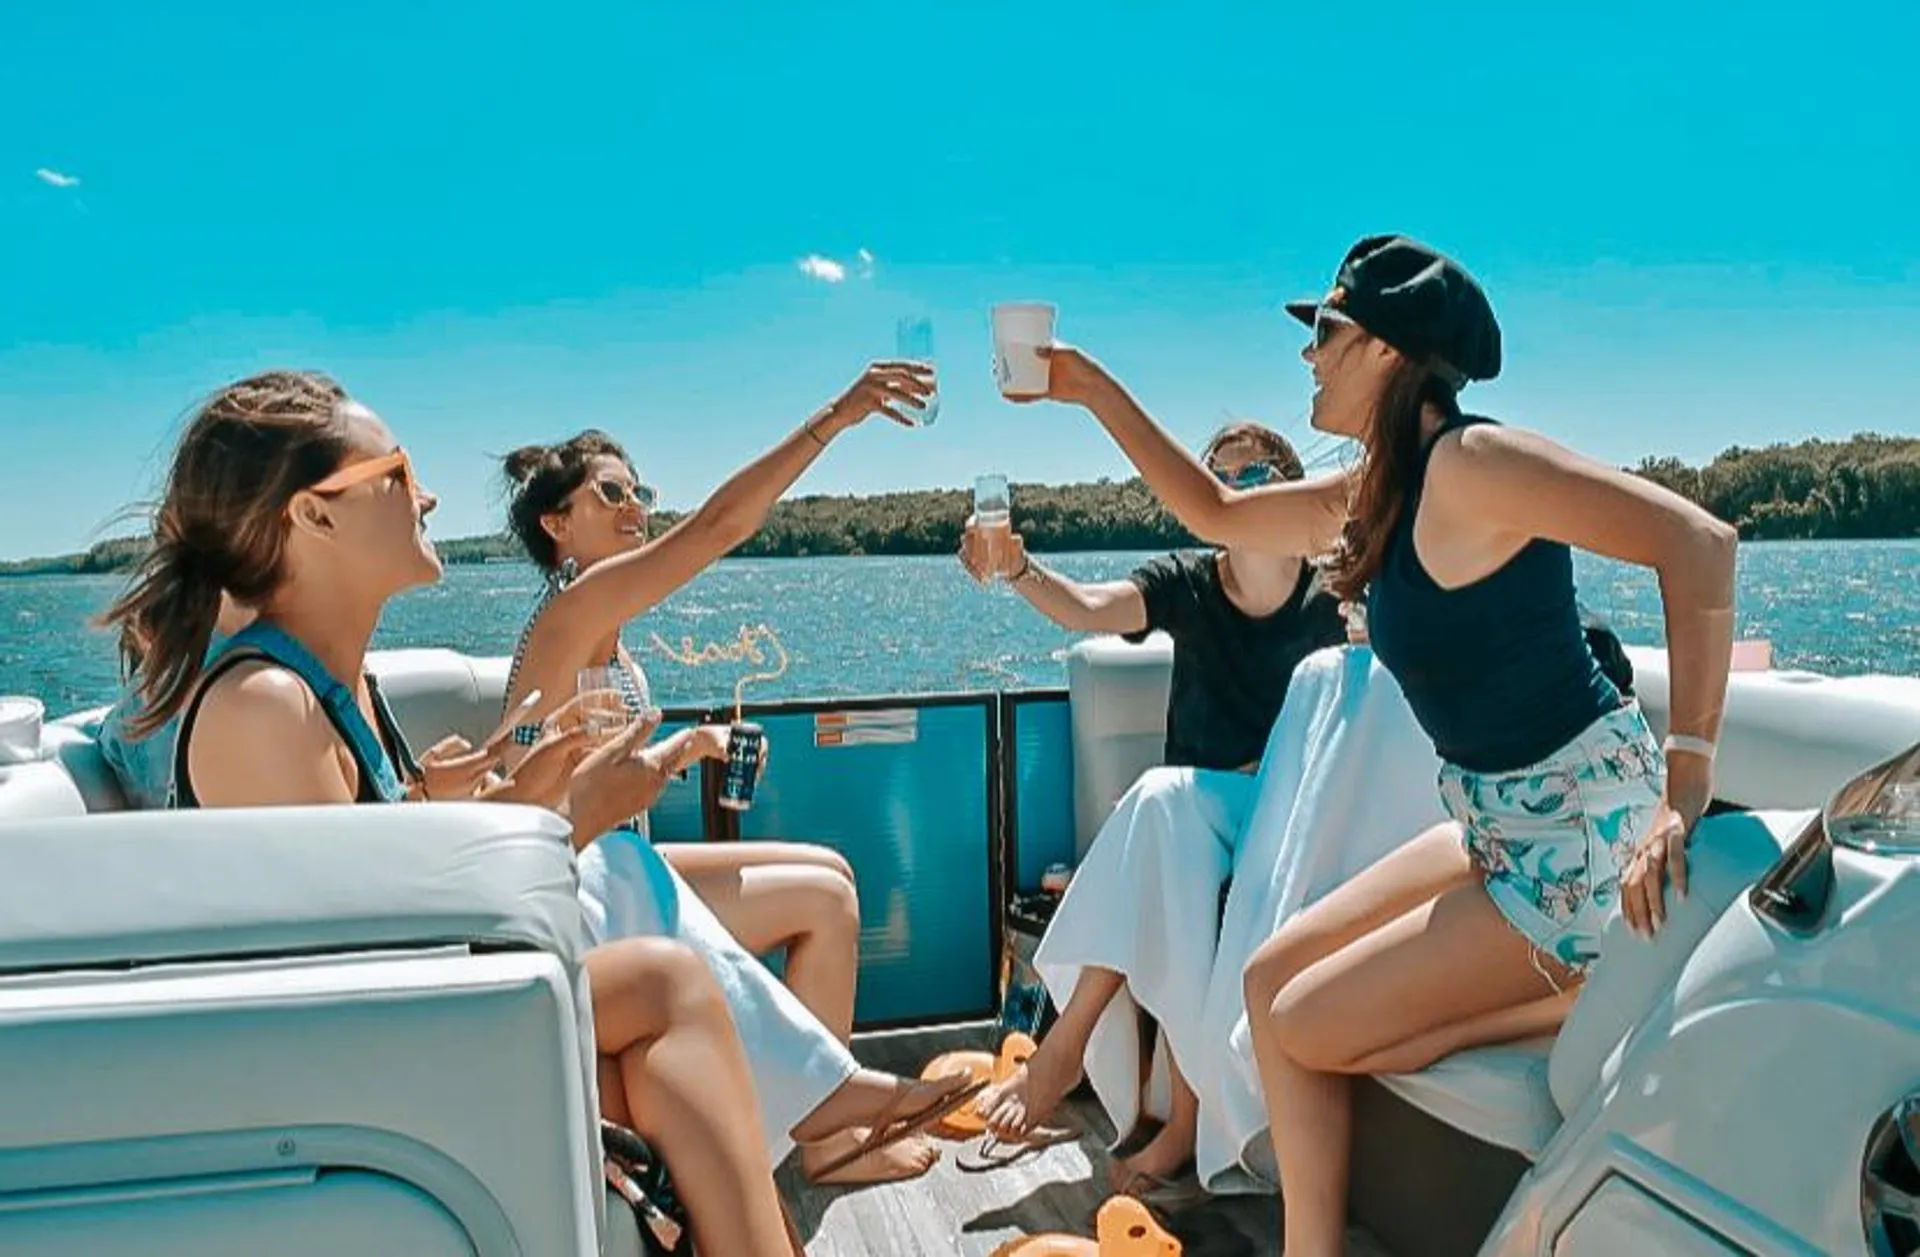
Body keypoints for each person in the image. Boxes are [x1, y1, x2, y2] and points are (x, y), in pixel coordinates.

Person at [1018, 236, 1736, 1255]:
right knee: (1266, 983)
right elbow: (1214, 510)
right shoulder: (1377, 491)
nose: (1308, 354)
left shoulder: (1475, 466)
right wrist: (1088, 386)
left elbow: (1698, 544)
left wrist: (1687, 784)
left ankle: (1585, 983)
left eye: (1325, 330)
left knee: (1304, 1022)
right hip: (1496, 830)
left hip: (1581, 846)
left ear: (1389, 350)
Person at [96, 369, 810, 1257]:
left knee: (661, 1050)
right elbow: (375, 976)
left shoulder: (334, 687)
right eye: (396, 473)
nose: (426, 494)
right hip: (345, 1089)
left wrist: (506, 795)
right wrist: (576, 815)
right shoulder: (264, 707)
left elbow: (377, 893)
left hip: (401, 1040)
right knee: (667, 987)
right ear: (314, 516)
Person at [496, 361, 982, 1186]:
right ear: (557, 523)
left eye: (639, 491)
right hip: (573, 882)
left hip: (612, 863)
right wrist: (838, 415)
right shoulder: (574, 611)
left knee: (830, 883)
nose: (636, 507)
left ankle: (823, 1138)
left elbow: (593, 759)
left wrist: (692, 745)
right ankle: (830, 1109)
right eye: (610, 494)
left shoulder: (608, 635)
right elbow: (719, 526)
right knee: (815, 897)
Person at [959, 423, 1346, 1197]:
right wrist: (1019, 567)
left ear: (1293, 488)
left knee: (1161, 810)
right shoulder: (1187, 585)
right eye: (1218, 480)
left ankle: (1074, 1056)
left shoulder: (1335, 597)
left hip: (1296, 818)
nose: (1234, 492)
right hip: (1196, 821)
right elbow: (1089, 608)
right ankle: (1148, 1101)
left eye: (1254, 475)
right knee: (1166, 818)